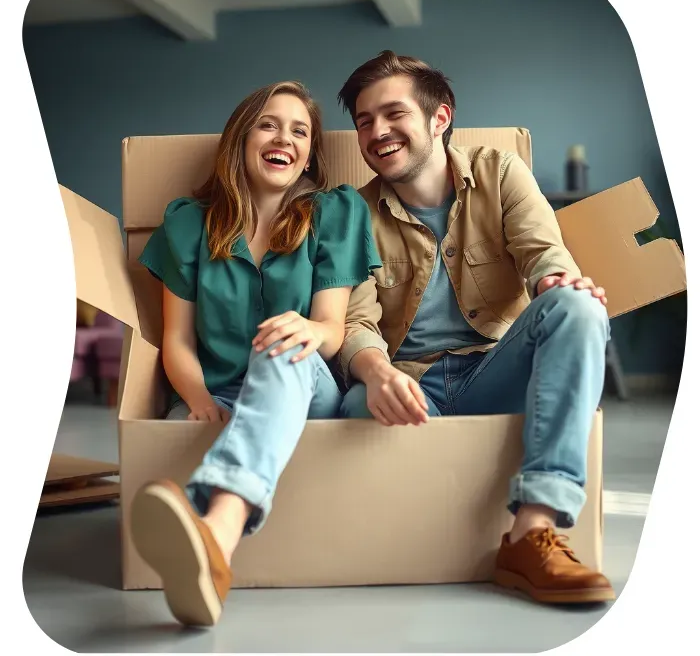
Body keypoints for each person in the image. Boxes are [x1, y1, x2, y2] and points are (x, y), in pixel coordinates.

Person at [334, 50, 616, 605]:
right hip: (411, 385)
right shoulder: (350, 213)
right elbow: (355, 319)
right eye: (364, 121)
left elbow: (544, 256)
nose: (377, 132)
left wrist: (559, 286)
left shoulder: (499, 171)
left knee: (580, 306)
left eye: (393, 114)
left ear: (440, 118)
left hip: (494, 370)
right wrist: (375, 374)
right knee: (350, 408)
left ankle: (533, 530)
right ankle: (414, 543)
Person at [129, 81, 382, 627]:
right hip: (217, 392)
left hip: (304, 382)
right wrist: (196, 399)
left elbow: (333, 330)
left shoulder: (333, 213)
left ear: (310, 154)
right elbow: (176, 340)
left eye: (299, 130)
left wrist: (308, 330)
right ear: (242, 139)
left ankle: (217, 536)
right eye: (268, 124)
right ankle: (197, 556)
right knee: (173, 429)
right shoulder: (188, 223)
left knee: (280, 341)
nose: (283, 138)